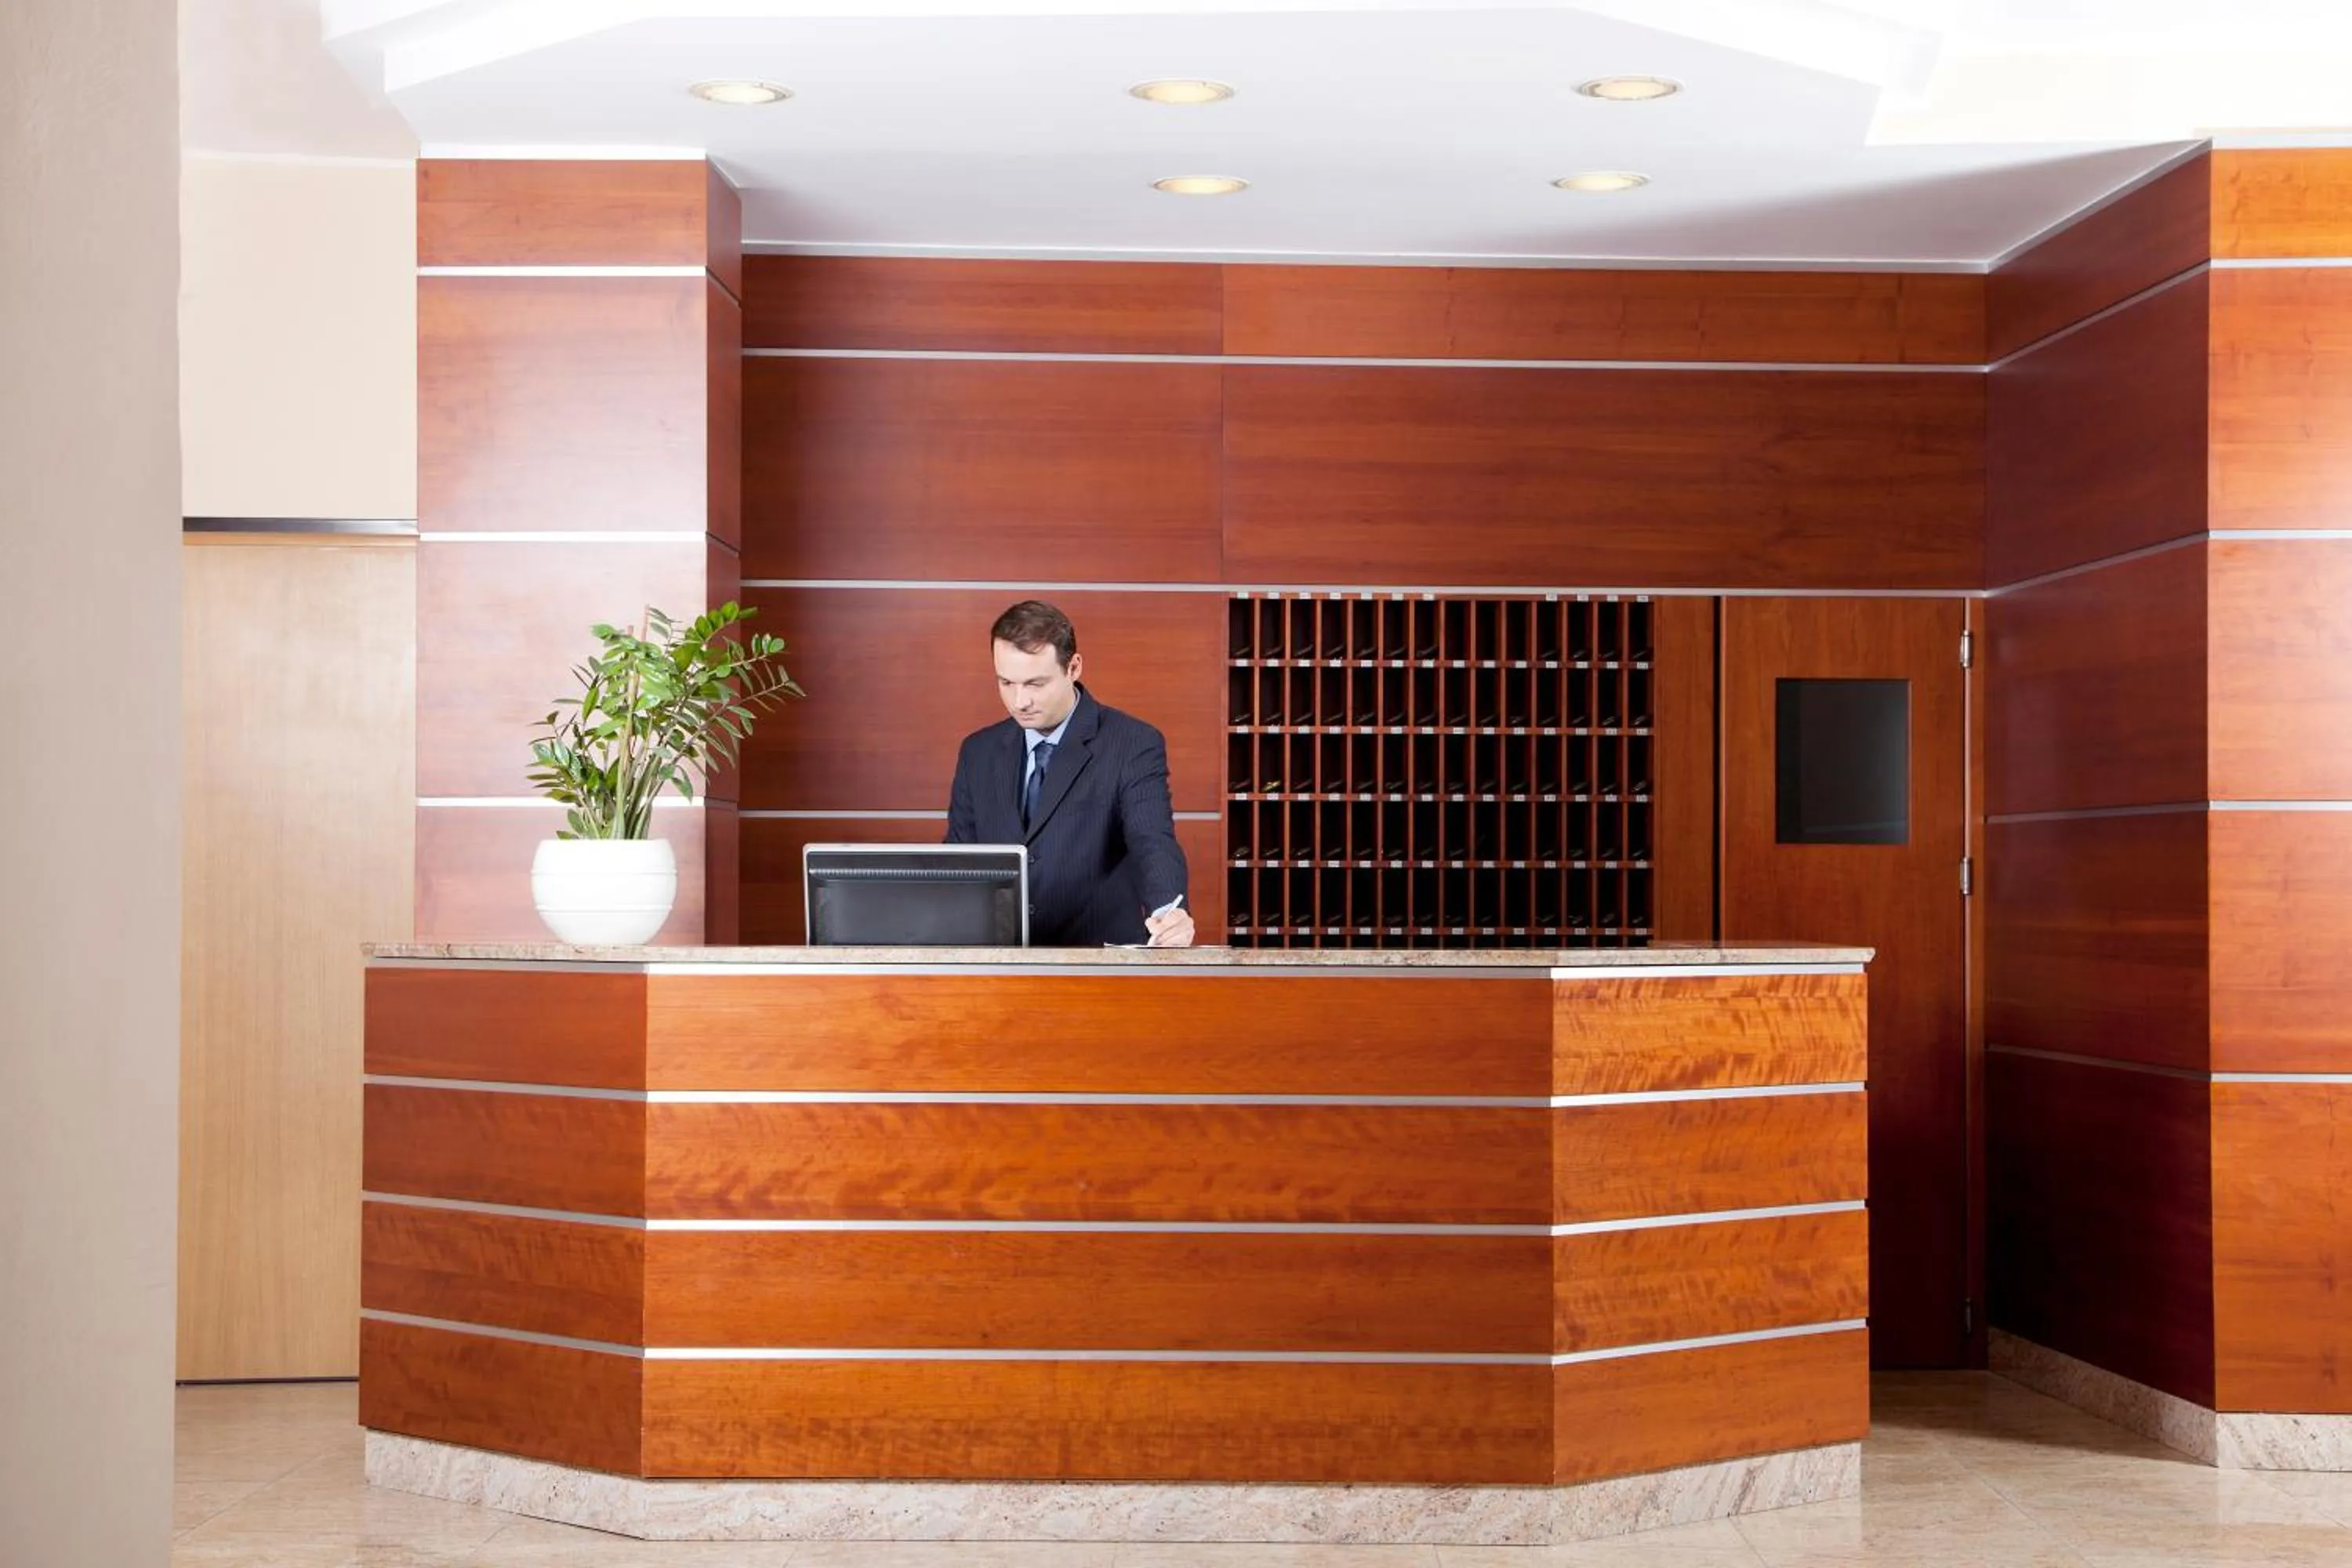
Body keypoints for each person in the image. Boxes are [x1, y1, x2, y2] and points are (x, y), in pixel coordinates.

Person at [946, 601, 1194, 947]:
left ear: (1073, 667)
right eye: (1006, 683)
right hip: (1000, 963)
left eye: (1035, 684)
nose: (1020, 702)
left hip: (1100, 964)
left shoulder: (1133, 743)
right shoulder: (978, 752)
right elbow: (959, 858)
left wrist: (1170, 911)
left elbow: (1151, 840)